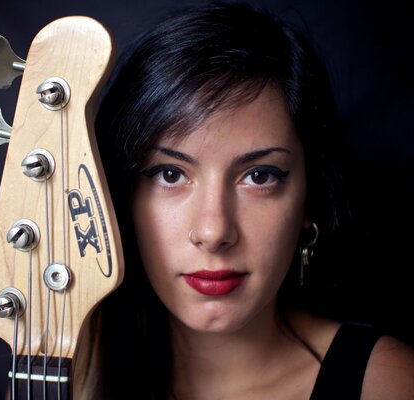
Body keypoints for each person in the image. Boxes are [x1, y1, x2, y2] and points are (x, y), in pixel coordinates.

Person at [75, 1, 414, 399]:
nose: (214, 230)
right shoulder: (69, 378)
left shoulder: (385, 382)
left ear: (310, 199)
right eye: (170, 174)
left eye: (259, 176)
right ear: (119, 195)